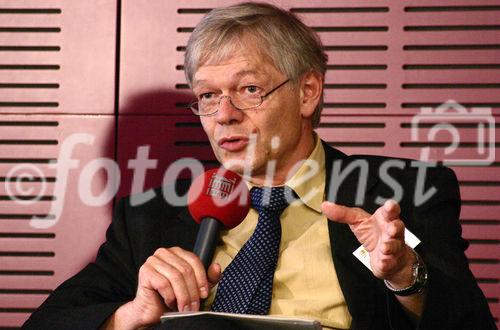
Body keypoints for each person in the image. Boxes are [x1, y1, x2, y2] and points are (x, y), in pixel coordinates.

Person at [23, 2, 495, 329]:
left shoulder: (402, 192)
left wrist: (404, 275)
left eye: (249, 89)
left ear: (308, 92)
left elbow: (469, 325)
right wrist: (131, 313)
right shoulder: (150, 216)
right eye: (208, 95)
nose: (224, 114)